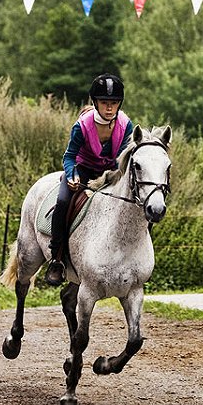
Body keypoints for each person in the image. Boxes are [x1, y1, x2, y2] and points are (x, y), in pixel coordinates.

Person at [44, 73, 133, 286]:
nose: (109, 108)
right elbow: (69, 156)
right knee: (64, 202)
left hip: (110, 173)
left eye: (114, 103)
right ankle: (56, 259)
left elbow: (121, 159)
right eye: (104, 102)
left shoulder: (126, 125)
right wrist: (72, 175)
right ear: (95, 102)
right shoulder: (82, 125)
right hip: (82, 169)